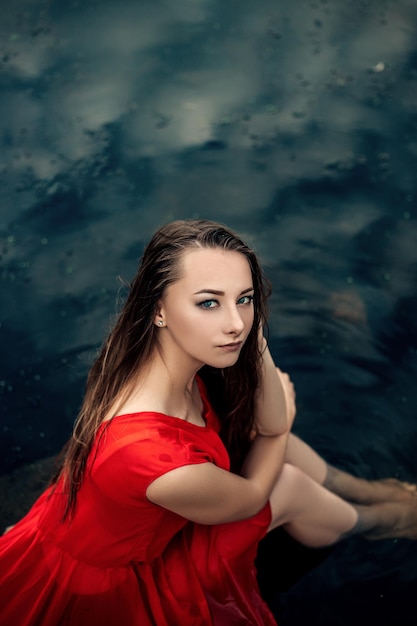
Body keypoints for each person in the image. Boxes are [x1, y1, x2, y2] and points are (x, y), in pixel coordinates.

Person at [0, 218, 416, 626]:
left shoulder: (163, 355)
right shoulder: (145, 452)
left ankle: (368, 491)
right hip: (123, 575)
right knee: (285, 484)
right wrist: (283, 423)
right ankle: (382, 522)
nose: (235, 324)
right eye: (208, 302)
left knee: (260, 439)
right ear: (158, 309)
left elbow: (262, 418)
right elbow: (254, 494)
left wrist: (254, 344)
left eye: (245, 298)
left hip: (128, 515)